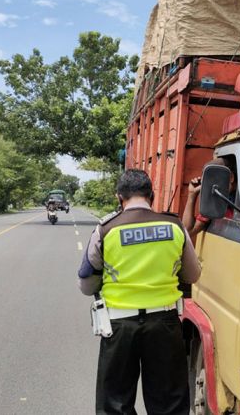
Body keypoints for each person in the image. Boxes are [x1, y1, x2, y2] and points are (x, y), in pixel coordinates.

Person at [77, 169, 201, 415]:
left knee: (116, 403)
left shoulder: (105, 230)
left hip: (119, 327)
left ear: (118, 198)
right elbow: (193, 275)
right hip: (165, 325)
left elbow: (86, 285)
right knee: (169, 403)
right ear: (151, 195)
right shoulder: (174, 226)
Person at [182, 156, 237, 242]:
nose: (210, 185)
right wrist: (192, 194)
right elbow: (188, 231)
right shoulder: (215, 202)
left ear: (231, 177)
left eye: (213, 179)